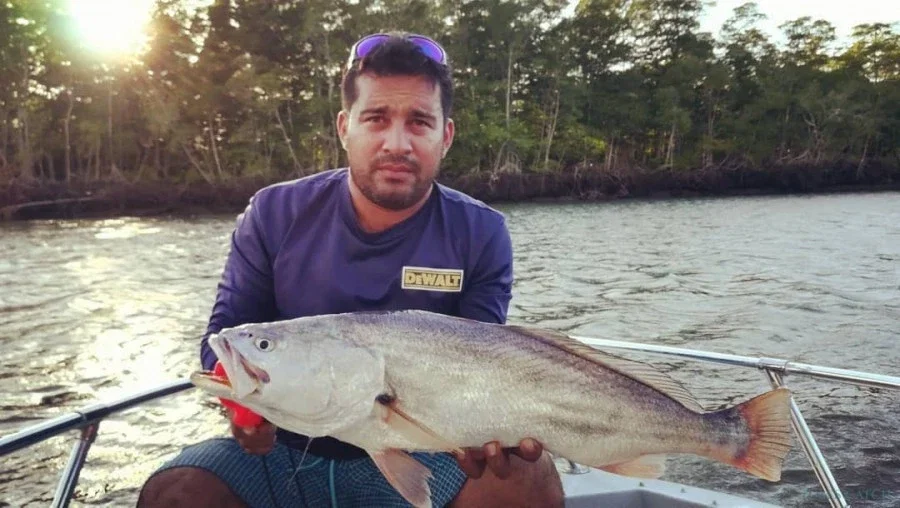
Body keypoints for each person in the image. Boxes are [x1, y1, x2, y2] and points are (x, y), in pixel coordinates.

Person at [137, 31, 564, 507]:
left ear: (445, 136)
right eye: (376, 119)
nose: (397, 143)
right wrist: (244, 412)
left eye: (419, 122)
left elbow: (480, 364)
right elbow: (224, 336)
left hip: (425, 446)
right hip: (285, 450)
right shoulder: (274, 213)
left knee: (526, 477)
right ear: (345, 127)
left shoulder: (481, 231)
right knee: (176, 493)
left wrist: (481, 430)